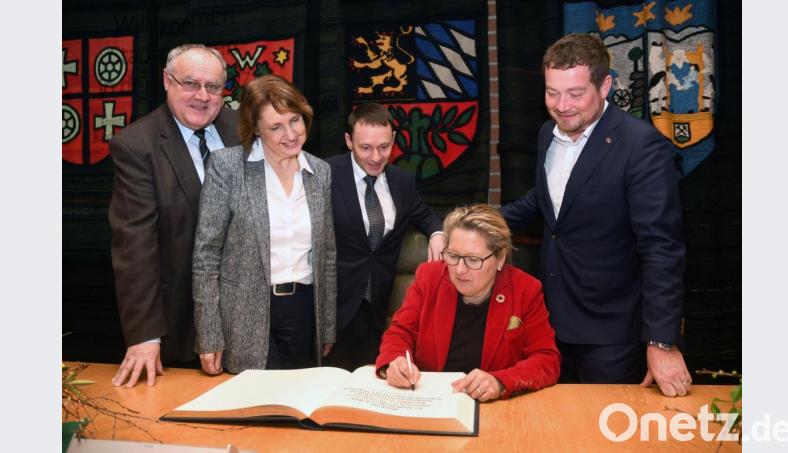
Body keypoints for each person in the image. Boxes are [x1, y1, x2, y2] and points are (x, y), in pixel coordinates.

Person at [501, 33, 691, 397]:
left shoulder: (641, 146)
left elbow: (661, 249)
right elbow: (547, 201)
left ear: (605, 86)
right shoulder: (546, 134)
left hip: (611, 335)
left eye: (575, 93)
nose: (562, 105)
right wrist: (471, 225)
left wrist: (661, 341)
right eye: (552, 93)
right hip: (551, 324)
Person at [108, 44, 239, 388]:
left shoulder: (245, 129)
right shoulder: (137, 145)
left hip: (248, 318)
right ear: (167, 81)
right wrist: (145, 336)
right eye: (190, 83)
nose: (202, 96)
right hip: (182, 324)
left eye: (213, 87)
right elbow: (135, 247)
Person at [192, 74, 336, 374]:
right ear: (256, 128)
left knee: (297, 406)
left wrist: (327, 327)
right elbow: (206, 257)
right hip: (243, 313)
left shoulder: (320, 172)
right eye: (276, 126)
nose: (291, 133)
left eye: (295, 120)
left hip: (303, 311)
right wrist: (208, 335)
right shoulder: (227, 166)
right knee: (252, 407)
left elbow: (328, 256)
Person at [376, 204, 560, 402]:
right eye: (453, 256)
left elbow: (547, 360)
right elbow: (400, 332)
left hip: (494, 407)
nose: (460, 270)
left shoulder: (526, 290)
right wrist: (394, 361)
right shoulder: (429, 278)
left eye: (473, 260)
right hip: (430, 401)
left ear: (500, 258)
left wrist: (500, 382)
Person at [325, 103, 445, 371]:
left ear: (393, 140)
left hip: (377, 308)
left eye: (384, 147)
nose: (376, 157)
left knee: (371, 389)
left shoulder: (402, 181)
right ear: (348, 141)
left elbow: (424, 213)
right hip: (333, 311)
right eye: (366, 147)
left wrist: (438, 233)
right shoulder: (326, 174)